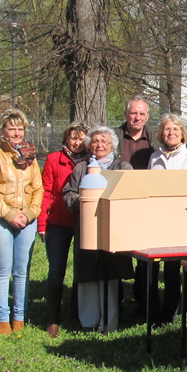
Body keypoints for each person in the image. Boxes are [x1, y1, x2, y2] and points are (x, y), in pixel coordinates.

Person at [63, 127, 134, 332]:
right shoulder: (81, 168)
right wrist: (82, 201)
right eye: (94, 141)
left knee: (110, 275)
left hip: (111, 229)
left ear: (112, 145)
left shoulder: (122, 167)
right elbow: (69, 193)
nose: (99, 145)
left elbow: (127, 194)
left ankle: (108, 322)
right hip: (86, 229)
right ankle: (88, 322)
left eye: (104, 141)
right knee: (86, 274)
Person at [0, 109, 44, 335]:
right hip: (0, 220)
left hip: (26, 220)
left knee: (22, 271)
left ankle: (19, 317)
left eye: (20, 129)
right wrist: (9, 215)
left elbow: (38, 189)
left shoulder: (30, 158)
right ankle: (2, 319)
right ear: (3, 131)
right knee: (2, 270)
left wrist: (28, 214)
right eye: (12, 128)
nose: (17, 133)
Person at [148, 114, 187, 326]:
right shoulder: (154, 158)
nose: (171, 133)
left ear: (182, 134)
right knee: (150, 269)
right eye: (167, 129)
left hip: (179, 220)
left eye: (175, 129)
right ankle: (151, 312)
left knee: (171, 270)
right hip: (156, 220)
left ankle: (170, 312)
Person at [38, 122, 89, 337]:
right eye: (73, 138)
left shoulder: (90, 161)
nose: (77, 142)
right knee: (56, 269)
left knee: (81, 268)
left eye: (81, 138)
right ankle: (53, 318)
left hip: (81, 221)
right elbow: (45, 191)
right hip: (58, 222)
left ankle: (75, 313)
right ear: (66, 139)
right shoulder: (53, 160)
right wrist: (42, 223)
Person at [116, 96, 156, 317]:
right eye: (133, 113)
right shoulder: (114, 137)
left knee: (145, 260)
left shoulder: (154, 141)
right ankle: (118, 301)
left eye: (141, 114)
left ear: (147, 117)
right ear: (126, 114)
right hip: (120, 203)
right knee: (119, 255)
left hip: (145, 205)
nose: (137, 117)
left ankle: (144, 304)